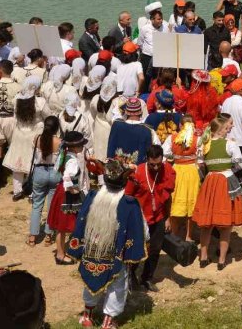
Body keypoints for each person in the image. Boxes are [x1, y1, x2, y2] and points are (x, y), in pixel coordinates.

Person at [69, 158, 146, 329]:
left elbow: (80, 222)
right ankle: (108, 322)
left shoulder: (92, 196)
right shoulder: (129, 204)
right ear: (125, 181)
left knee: (90, 279)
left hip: (91, 252)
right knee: (117, 285)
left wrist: (79, 246)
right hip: (115, 256)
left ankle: (87, 317)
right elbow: (141, 231)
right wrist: (133, 250)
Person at [191, 116, 242, 269]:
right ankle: (222, 260)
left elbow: (200, 164)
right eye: (226, 128)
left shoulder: (204, 145)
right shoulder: (230, 144)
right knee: (226, 224)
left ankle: (203, 257)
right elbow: (240, 163)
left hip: (210, 182)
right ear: (221, 129)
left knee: (206, 224)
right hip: (225, 181)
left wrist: (208, 174)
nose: (228, 129)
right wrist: (230, 170)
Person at [126, 144, 175, 292]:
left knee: (155, 249)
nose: (155, 168)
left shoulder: (168, 171)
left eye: (158, 164)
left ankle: (147, 278)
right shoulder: (137, 173)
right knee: (137, 249)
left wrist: (168, 218)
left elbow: (168, 197)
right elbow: (128, 197)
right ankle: (130, 276)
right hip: (139, 218)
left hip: (158, 216)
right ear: (147, 160)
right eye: (152, 165)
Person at [47, 130, 89, 265]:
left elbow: (57, 170)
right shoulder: (73, 162)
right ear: (75, 146)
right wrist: (73, 189)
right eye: (81, 145)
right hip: (67, 193)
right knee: (69, 223)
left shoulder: (64, 155)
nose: (82, 147)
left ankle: (61, 252)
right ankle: (62, 254)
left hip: (60, 191)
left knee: (61, 226)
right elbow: (66, 177)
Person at [165, 117, 201, 241]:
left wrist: (175, 157)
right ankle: (189, 235)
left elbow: (165, 154)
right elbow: (201, 159)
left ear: (181, 126)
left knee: (175, 202)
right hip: (192, 171)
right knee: (192, 202)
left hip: (177, 170)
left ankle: (174, 234)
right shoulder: (198, 139)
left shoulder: (172, 138)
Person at [27, 116, 62, 247]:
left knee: (37, 205)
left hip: (40, 172)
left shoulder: (37, 139)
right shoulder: (60, 142)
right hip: (54, 172)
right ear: (57, 128)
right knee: (52, 206)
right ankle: (48, 235)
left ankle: (32, 237)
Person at [106, 98, 157, 164]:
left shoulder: (116, 125)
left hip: (115, 171)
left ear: (126, 112)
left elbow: (110, 151)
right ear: (141, 112)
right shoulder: (148, 130)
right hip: (138, 172)